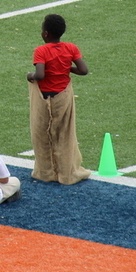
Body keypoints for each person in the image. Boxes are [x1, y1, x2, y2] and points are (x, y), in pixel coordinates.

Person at [27, 13, 91, 185]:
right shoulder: (71, 48)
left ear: (46, 33)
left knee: (41, 134)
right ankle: (67, 173)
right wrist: (66, 68)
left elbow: (40, 75)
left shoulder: (41, 50)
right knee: (65, 134)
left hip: (44, 97)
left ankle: (46, 173)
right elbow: (83, 70)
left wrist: (30, 75)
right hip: (63, 97)